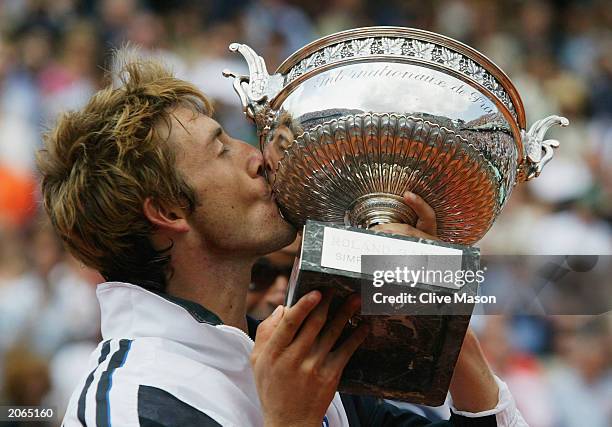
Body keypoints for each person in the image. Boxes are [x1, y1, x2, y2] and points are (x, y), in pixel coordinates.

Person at [38, 49, 527, 426]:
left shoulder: (306, 356)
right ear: (167, 209)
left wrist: (426, 286)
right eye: (222, 148)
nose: (258, 158)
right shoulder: (129, 402)